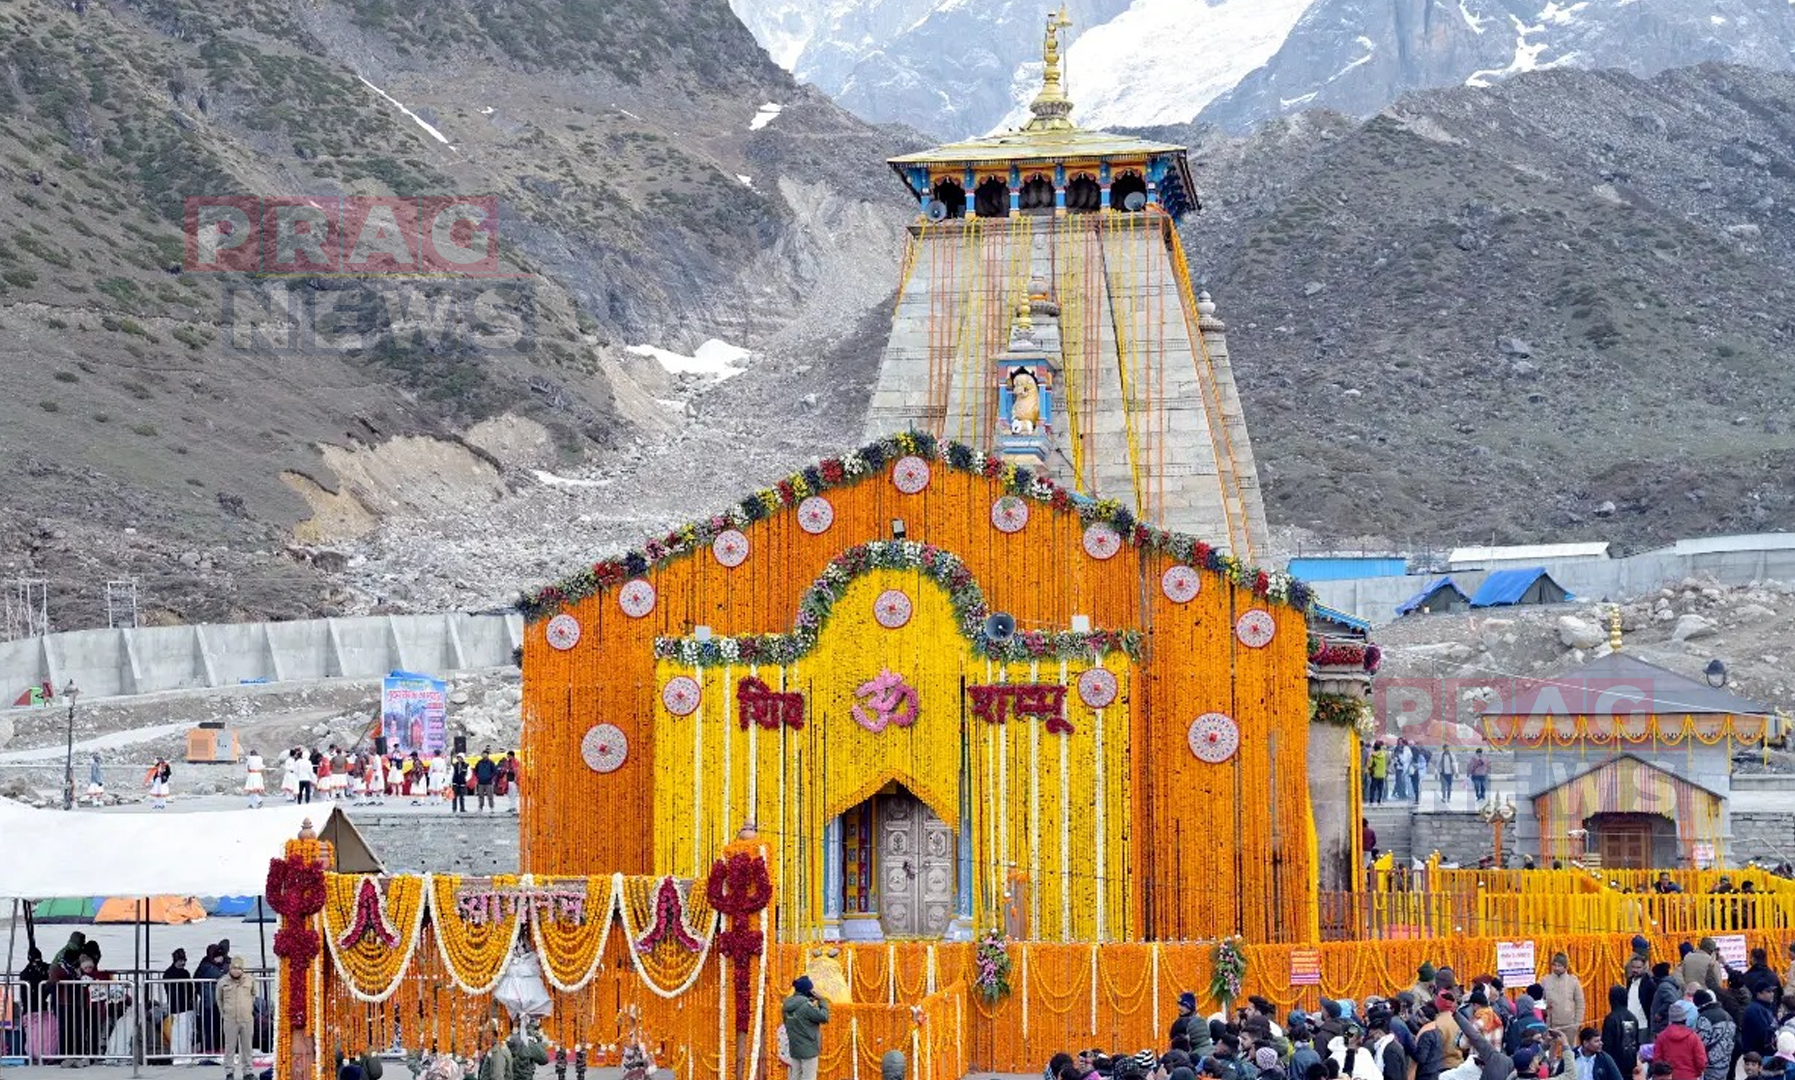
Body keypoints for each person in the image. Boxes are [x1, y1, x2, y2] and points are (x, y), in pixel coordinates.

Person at [782, 975, 830, 1080]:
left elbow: (788, 1022)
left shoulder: (786, 1004)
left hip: (795, 1047)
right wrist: (822, 1000)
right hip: (809, 1048)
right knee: (809, 1077)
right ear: (807, 990)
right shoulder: (806, 1006)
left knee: (795, 1076)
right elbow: (824, 1017)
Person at [217, 955, 255, 1080]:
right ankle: (229, 1072)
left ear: (242, 969)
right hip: (230, 1019)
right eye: (234, 968)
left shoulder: (250, 980)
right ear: (229, 968)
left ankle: (248, 1072)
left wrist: (248, 1009)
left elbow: (253, 995)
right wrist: (225, 1013)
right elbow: (219, 999)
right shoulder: (223, 981)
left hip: (246, 1019)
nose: (236, 970)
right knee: (230, 1047)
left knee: (247, 1047)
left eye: (239, 968)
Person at [1655, 1001, 1709, 1080]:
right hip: (1689, 1076)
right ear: (1685, 1019)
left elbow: (1657, 1060)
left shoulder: (1661, 1037)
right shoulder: (1694, 1037)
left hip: (1668, 1077)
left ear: (1670, 1020)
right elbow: (1701, 1061)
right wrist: (1695, 1073)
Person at [1544, 953, 1588, 1045]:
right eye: (1554, 965)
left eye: (1559, 966)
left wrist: (1576, 1023)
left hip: (1570, 1025)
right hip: (1552, 1025)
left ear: (1565, 967)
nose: (1556, 968)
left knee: (1570, 1053)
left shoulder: (1573, 981)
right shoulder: (1545, 980)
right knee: (1550, 1056)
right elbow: (1539, 1001)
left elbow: (1580, 1003)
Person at [1691, 989, 1735, 1080]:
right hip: (1725, 1061)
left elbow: (1700, 1043)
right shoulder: (1727, 1015)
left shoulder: (1705, 1017)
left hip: (1711, 1064)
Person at [1601, 985, 1641, 1080]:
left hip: (1615, 1062)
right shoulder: (1633, 1017)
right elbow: (1637, 1041)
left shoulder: (1611, 1018)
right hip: (1630, 1061)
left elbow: (1607, 1044)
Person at [164, 948, 196, 1058]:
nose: (183, 963)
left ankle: (185, 1053)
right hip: (177, 1007)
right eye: (181, 960)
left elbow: (190, 989)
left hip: (186, 1006)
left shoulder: (184, 973)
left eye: (184, 960)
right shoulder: (169, 974)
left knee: (186, 1032)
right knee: (178, 1032)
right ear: (175, 960)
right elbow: (171, 991)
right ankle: (178, 1054)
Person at [1742, 983, 1780, 1058]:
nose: (1772, 994)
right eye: (1768, 992)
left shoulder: (1767, 1007)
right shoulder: (1754, 1010)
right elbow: (1762, 1034)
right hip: (1757, 1055)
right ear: (1759, 993)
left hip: (1765, 1053)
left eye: (1772, 992)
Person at [474, 749, 499, 813]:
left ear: (488, 755)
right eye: (482, 754)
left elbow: (495, 771)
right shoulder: (479, 762)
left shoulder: (491, 763)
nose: (483, 755)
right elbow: (475, 770)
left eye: (485, 754)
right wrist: (478, 776)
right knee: (480, 796)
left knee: (490, 796)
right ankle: (480, 807)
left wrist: (490, 777)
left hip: (489, 782)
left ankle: (492, 807)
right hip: (480, 782)